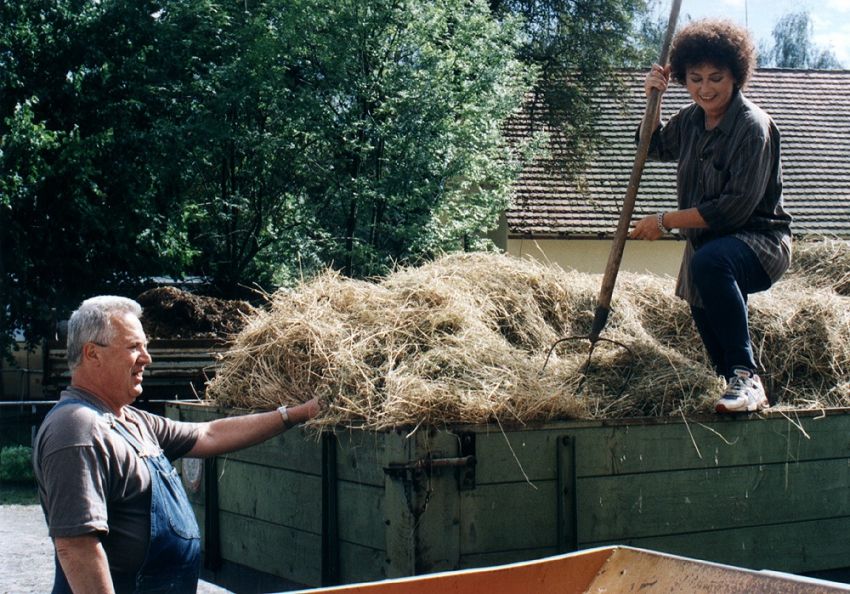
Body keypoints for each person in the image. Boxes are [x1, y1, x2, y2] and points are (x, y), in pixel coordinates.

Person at [33, 295, 322, 593]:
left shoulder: (131, 421)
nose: (146, 358)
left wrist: (297, 413)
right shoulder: (78, 429)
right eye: (134, 347)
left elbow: (209, 434)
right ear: (92, 354)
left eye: (145, 346)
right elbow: (76, 547)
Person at [629, 19, 792, 414]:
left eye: (716, 78)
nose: (705, 89)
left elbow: (733, 209)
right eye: (695, 79)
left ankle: (747, 377)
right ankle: (739, 391)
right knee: (713, 335)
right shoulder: (690, 119)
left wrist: (665, 220)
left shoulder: (753, 127)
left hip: (759, 242)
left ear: (736, 75)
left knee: (711, 262)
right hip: (707, 252)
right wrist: (655, 100)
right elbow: (651, 147)